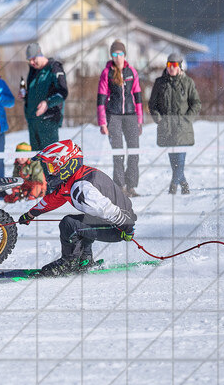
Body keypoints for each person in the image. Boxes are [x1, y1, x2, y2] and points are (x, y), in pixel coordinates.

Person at [18, 140, 136, 277]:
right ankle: (85, 259)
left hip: (119, 226)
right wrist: (31, 214)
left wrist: (127, 227)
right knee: (80, 221)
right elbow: (53, 199)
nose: (49, 172)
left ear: (66, 164)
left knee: (69, 223)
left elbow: (107, 210)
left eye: (52, 167)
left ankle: (69, 263)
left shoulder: (81, 187)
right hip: (113, 221)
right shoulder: (73, 179)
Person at [148, 52, 202, 195]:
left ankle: (173, 186)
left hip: (182, 129)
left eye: (174, 65)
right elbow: (152, 104)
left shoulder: (188, 82)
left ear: (180, 66)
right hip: (167, 129)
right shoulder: (160, 83)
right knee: (174, 163)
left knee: (180, 160)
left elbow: (196, 103)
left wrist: (187, 119)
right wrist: (159, 119)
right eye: (169, 65)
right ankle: (183, 183)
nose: (171, 68)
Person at [97, 40, 143, 198]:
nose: (117, 57)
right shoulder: (106, 73)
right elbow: (101, 99)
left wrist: (140, 120)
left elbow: (138, 97)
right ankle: (119, 186)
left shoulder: (132, 72)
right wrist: (103, 122)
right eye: (115, 54)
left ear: (124, 55)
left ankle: (131, 186)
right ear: (111, 55)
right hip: (114, 116)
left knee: (134, 151)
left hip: (130, 115)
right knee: (118, 153)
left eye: (120, 54)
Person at [23, 43, 67, 152]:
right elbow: (35, 94)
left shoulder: (54, 68)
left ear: (40, 54)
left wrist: (47, 103)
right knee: (36, 162)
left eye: (33, 59)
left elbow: (62, 92)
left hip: (48, 121)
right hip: (33, 122)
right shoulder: (33, 71)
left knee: (50, 159)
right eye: (29, 60)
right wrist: (25, 95)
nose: (32, 62)